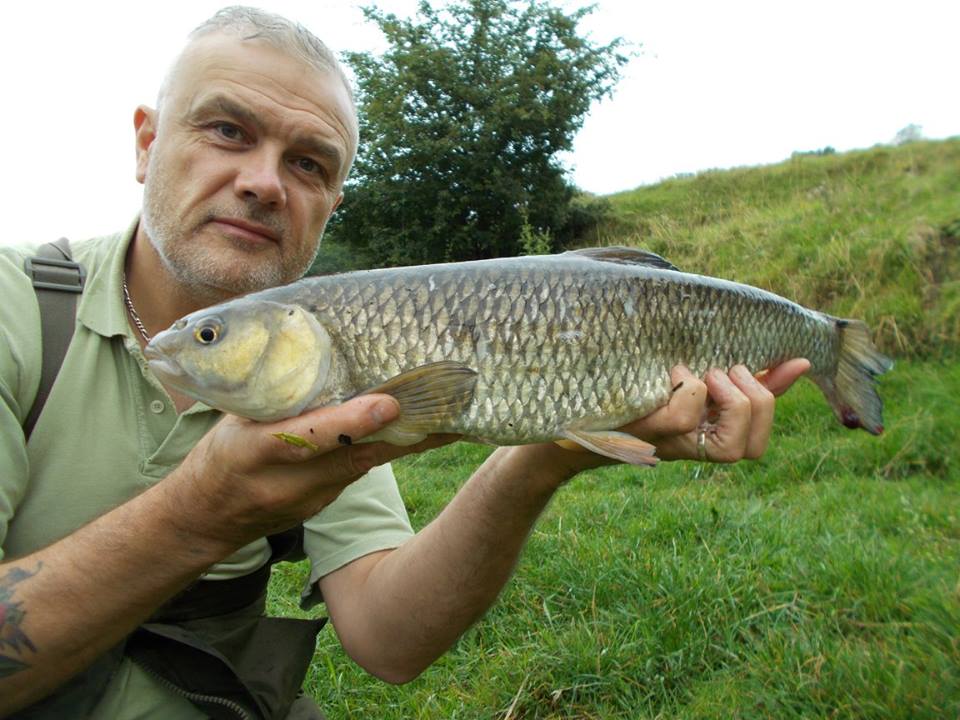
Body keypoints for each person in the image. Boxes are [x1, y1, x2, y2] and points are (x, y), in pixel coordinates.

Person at [0, 6, 810, 719]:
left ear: (332, 202)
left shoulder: (326, 364)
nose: (262, 183)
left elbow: (389, 641)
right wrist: (205, 509)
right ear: (146, 143)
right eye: (227, 131)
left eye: (309, 163)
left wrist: (544, 457)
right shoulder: (18, 308)